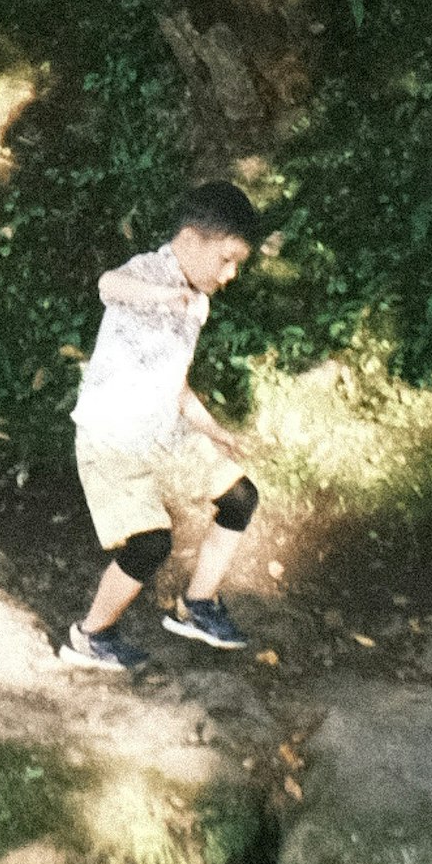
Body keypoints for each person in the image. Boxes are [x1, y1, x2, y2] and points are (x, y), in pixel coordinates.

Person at [55, 179, 269, 674]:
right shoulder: (146, 272)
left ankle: (198, 605)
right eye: (227, 259)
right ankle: (89, 638)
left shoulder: (200, 302)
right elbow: (108, 285)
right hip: (111, 439)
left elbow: (174, 382)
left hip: (163, 430)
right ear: (192, 241)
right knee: (150, 544)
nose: (232, 273)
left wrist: (212, 429)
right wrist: (160, 294)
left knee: (240, 498)